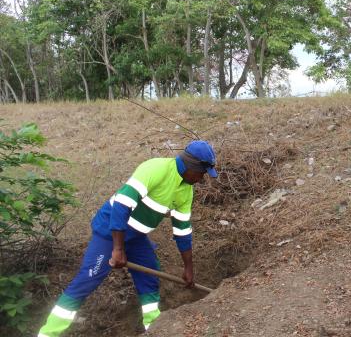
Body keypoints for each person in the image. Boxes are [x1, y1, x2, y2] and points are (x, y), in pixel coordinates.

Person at [38, 140, 218, 337]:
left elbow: (182, 231)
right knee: (87, 280)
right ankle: (48, 334)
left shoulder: (186, 190)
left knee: (149, 278)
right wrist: (117, 249)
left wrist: (188, 268)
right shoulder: (155, 168)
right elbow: (122, 204)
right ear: (191, 166)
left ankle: (155, 329)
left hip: (137, 237)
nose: (201, 179)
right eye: (201, 173)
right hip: (110, 231)